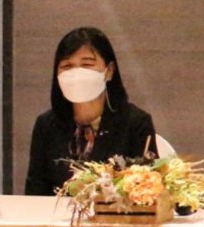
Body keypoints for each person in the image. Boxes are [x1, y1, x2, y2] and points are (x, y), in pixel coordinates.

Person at [25, 27, 157, 196]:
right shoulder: (46, 125)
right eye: (67, 66)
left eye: (87, 65)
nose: (76, 74)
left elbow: (148, 192)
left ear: (109, 71)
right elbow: (35, 191)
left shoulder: (136, 123)